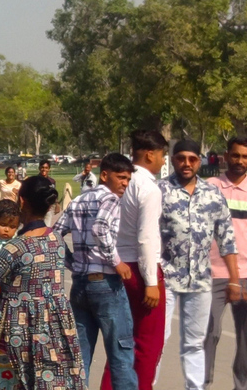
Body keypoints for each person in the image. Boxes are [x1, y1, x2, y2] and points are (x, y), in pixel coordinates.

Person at [0, 176, 86, 389]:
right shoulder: (57, 240)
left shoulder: (15, 248)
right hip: (55, 327)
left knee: (15, 380)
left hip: (16, 328)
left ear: (21, 201)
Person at [158, 139, 239, 390]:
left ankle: (196, 387)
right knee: (158, 339)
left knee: (195, 342)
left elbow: (227, 239)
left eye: (192, 159)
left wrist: (234, 279)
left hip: (201, 280)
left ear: (199, 161)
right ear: (172, 160)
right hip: (166, 278)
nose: (186, 163)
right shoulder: (159, 191)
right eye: (181, 158)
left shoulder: (212, 194)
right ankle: (146, 385)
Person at [53, 153, 137, 389]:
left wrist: (73, 263)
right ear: (105, 175)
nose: (124, 184)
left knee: (80, 355)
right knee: (120, 351)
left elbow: (55, 234)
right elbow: (101, 228)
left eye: (128, 179)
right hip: (106, 284)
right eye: (121, 177)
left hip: (80, 284)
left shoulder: (79, 200)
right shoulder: (110, 200)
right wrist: (116, 261)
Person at [100, 130, 166, 390]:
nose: (163, 161)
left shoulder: (118, 182)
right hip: (140, 270)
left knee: (121, 343)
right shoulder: (148, 187)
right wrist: (151, 281)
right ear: (150, 154)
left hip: (116, 267)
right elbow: (147, 238)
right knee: (147, 346)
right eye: (162, 155)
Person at [205, 136, 247, 390]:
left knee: (245, 341)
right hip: (213, 274)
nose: (240, 161)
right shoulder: (210, 187)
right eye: (235, 155)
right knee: (209, 335)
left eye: (244, 156)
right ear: (225, 156)